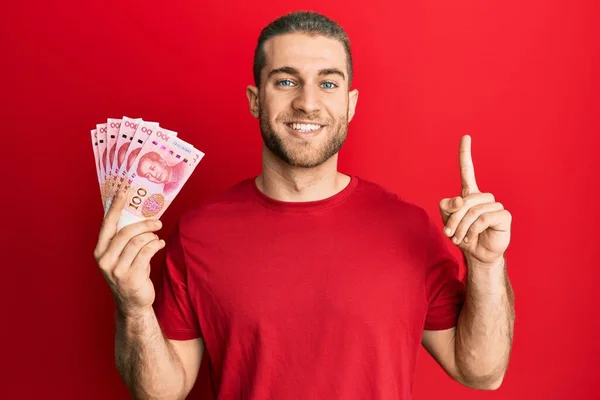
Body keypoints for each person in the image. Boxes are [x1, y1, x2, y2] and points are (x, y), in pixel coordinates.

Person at [94, 11, 515, 400]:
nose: (308, 103)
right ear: (255, 98)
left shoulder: (410, 229)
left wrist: (487, 265)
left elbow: (481, 372)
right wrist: (133, 308)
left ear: (349, 104)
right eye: (286, 81)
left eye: (328, 83)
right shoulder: (197, 234)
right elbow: (160, 393)